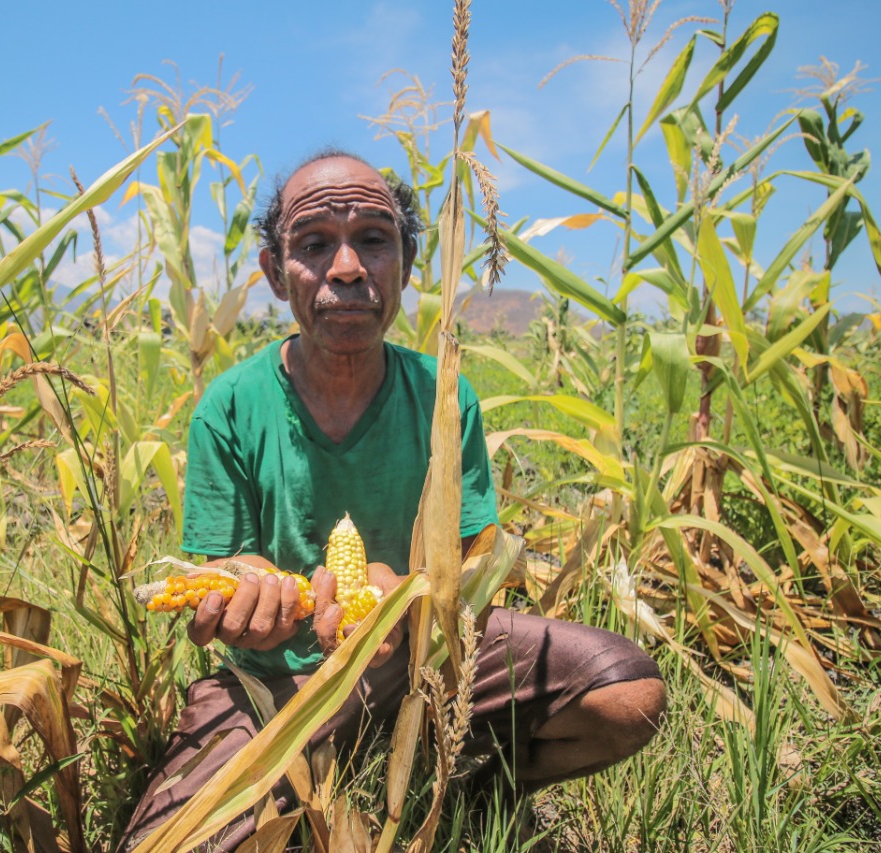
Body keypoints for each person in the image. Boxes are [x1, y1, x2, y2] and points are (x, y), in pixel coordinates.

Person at [120, 151, 666, 851]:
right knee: (167, 844)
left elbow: (475, 561)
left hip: (424, 662)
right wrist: (253, 594)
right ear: (275, 273)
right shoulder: (229, 406)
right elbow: (226, 560)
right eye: (315, 244)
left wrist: (411, 595)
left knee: (629, 698)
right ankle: (315, 772)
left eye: (373, 240)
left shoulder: (443, 395)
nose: (347, 267)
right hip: (279, 686)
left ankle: (473, 785)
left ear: (406, 265)